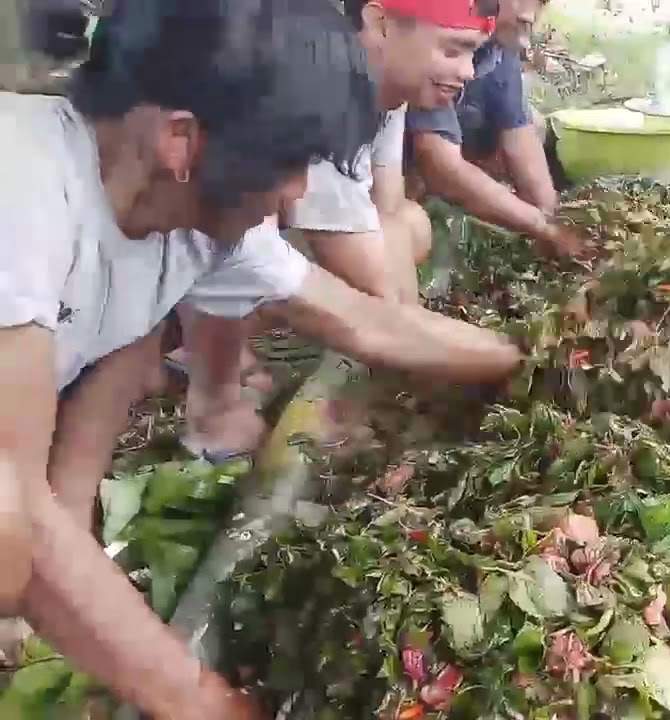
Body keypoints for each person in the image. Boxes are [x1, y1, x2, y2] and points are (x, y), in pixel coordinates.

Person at [0, 1, 518, 716]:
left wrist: (529, 360)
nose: (299, 193)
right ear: (183, 140)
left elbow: (368, 325)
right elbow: (13, 515)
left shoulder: (183, 218)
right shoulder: (21, 195)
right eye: (292, 162)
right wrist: (206, 701)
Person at [175, 0, 501, 460]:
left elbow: (388, 215)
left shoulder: (386, 97)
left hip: (260, 241)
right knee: (241, 242)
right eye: (454, 50)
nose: (468, 72)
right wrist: (499, 356)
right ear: (379, 21)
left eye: (473, 54)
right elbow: (369, 318)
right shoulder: (320, 97)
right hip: (227, 240)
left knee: (411, 223)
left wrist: (412, 320)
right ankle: (213, 390)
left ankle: (220, 351)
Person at [406, 0, 584, 256]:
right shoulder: (441, 29)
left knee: (535, 124)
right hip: (391, 158)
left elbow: (519, 134)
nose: (530, 16)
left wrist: (555, 218)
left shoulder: (499, 44)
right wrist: (541, 226)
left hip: (454, 139)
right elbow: (440, 163)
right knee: (410, 222)